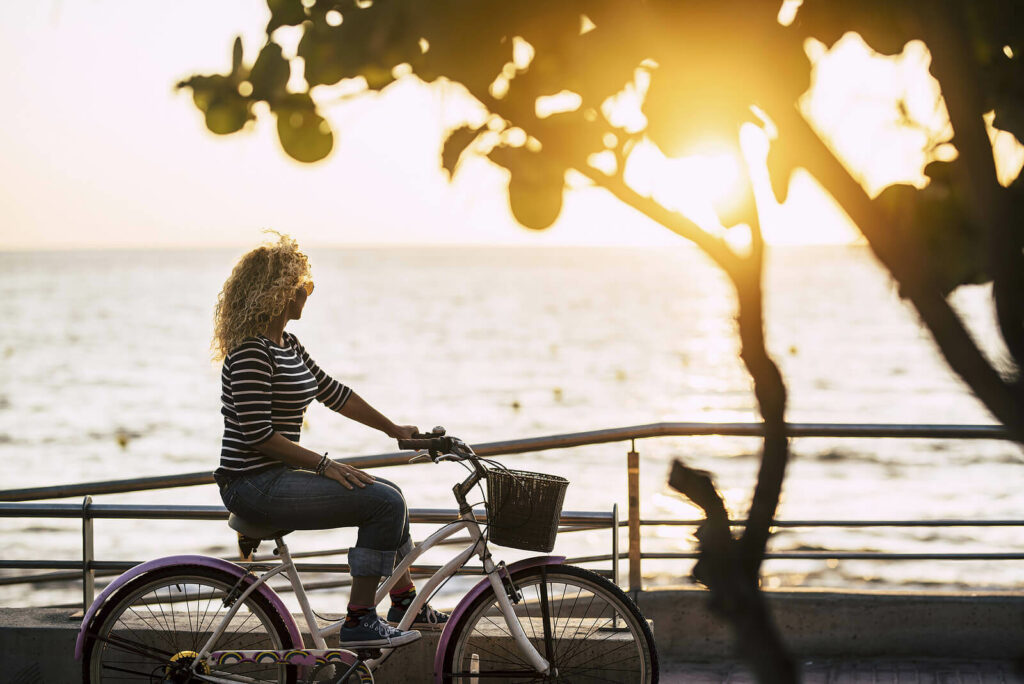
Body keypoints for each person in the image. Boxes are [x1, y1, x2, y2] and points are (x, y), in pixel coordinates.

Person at [211, 232, 445, 649]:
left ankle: (405, 599)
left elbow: (335, 393)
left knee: (389, 492)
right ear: (281, 291)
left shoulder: (288, 344)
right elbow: (259, 435)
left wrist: (395, 430)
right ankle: (359, 620)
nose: (308, 292)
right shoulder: (251, 351)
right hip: (251, 483)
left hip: (277, 475)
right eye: (304, 284)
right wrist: (325, 465)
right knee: (383, 503)